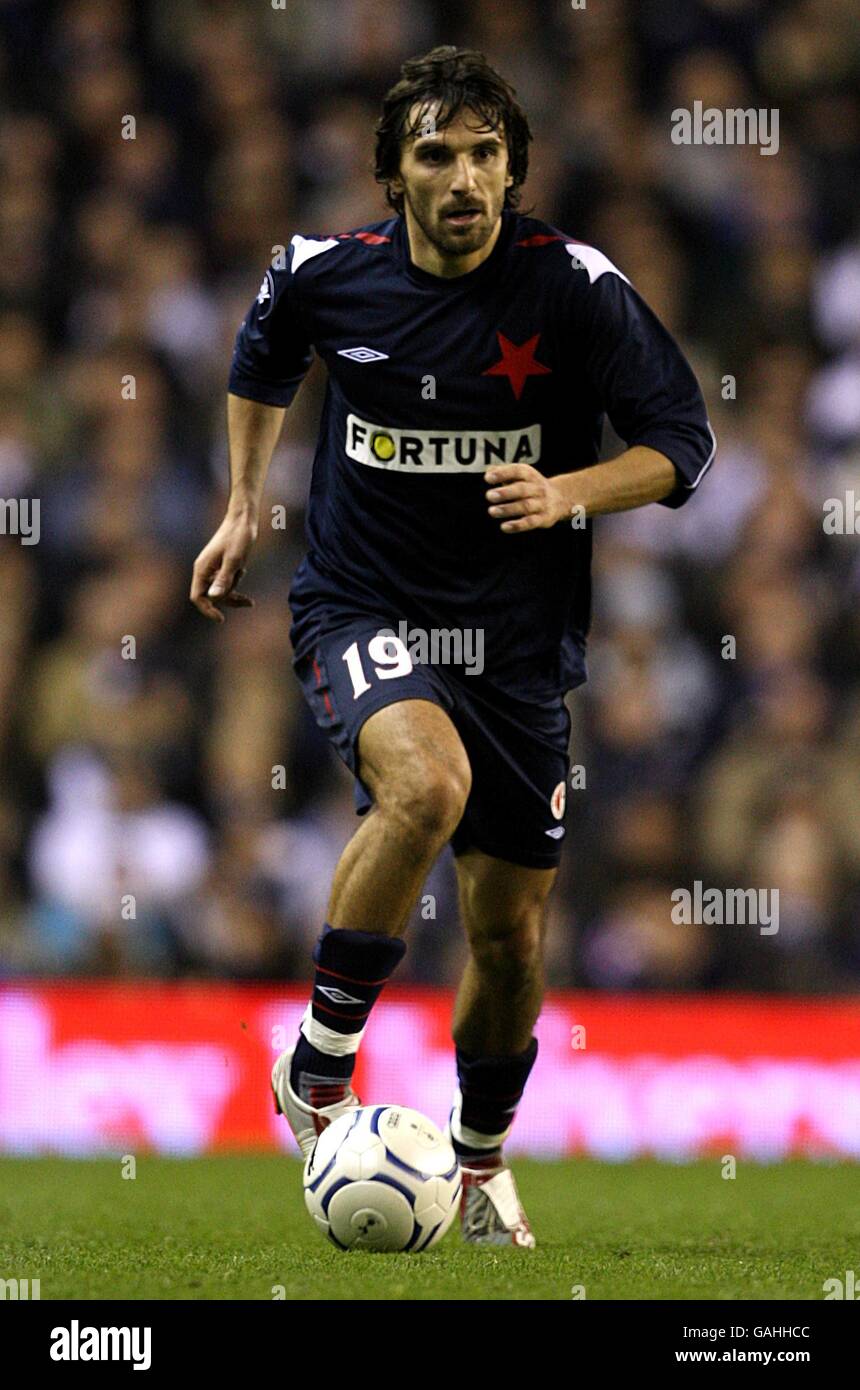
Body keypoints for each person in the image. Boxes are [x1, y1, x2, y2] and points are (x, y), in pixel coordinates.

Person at [190, 45, 715, 1247]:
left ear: (513, 169)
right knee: (425, 784)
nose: (465, 175)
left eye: (486, 153)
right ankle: (319, 1064)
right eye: (436, 153)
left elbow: (682, 442)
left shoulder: (574, 288)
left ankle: (477, 1162)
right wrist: (240, 503)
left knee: (506, 930)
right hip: (359, 605)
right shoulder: (323, 276)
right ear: (393, 175)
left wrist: (570, 490)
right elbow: (261, 359)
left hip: (516, 650)